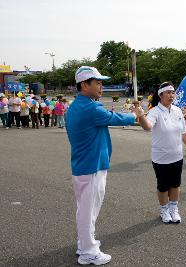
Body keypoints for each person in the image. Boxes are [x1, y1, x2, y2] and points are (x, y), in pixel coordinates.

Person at [66, 66, 142, 266]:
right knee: (88, 210)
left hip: (84, 164)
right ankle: (88, 251)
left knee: (84, 208)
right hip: (91, 165)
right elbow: (116, 118)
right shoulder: (91, 107)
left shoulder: (75, 106)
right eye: (97, 82)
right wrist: (135, 114)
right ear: (84, 85)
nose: (101, 86)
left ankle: (84, 245)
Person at [134, 82, 186, 224]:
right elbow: (147, 127)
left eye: (173, 92)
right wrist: (141, 116)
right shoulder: (155, 111)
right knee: (163, 186)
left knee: (175, 185)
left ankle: (173, 209)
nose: (171, 95)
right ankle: (164, 209)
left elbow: (183, 132)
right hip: (161, 158)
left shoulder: (177, 110)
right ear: (161, 95)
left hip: (177, 156)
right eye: (168, 92)